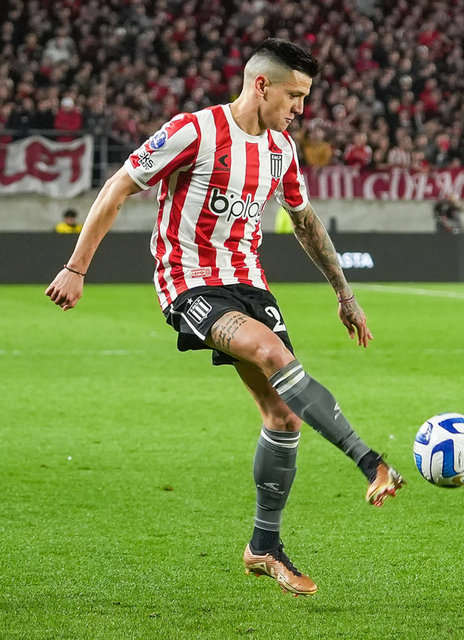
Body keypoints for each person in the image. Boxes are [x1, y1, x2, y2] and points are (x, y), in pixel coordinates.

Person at [45, 38, 404, 597]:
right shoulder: (194, 131)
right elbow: (118, 187)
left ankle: (264, 547)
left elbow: (305, 222)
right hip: (189, 282)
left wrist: (345, 293)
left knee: (283, 416)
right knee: (271, 353)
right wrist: (76, 268)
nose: (300, 108)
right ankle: (369, 461)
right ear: (261, 85)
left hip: (249, 285)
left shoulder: (281, 149)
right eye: (294, 95)